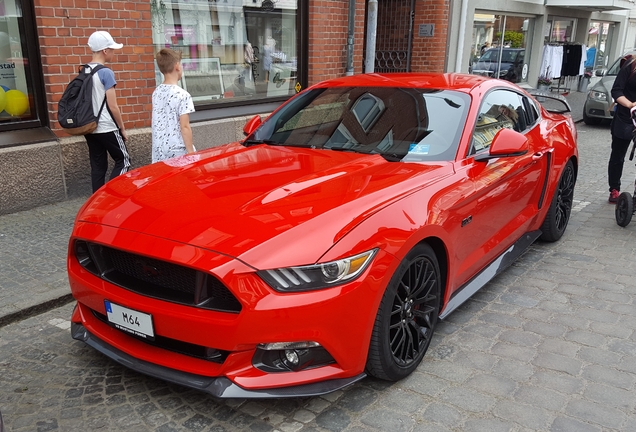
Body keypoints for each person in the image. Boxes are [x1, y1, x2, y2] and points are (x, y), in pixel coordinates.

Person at [84, 30, 130, 193]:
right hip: (107, 126)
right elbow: (113, 106)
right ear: (105, 51)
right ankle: (112, 196)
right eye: (112, 49)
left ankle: (96, 202)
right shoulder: (106, 72)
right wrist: (122, 128)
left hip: (90, 126)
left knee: (98, 166)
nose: (113, 52)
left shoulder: (84, 71)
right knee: (123, 160)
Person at [151, 48, 195, 163]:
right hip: (178, 149)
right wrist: (191, 152)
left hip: (158, 149)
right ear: (177, 66)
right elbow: (184, 127)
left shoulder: (156, 92)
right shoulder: (183, 95)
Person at [608, 54, 636, 203]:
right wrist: (630, 104)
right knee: (618, 156)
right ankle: (614, 188)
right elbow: (616, 90)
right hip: (626, 117)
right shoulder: (630, 66)